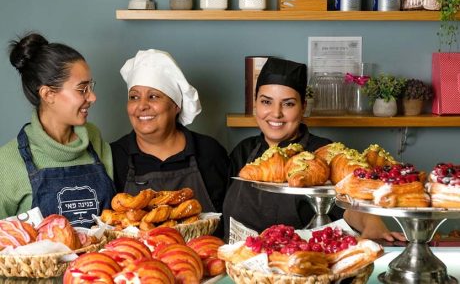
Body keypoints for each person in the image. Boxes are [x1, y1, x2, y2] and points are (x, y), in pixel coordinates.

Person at [222, 57, 406, 243]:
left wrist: (372, 224)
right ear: (256, 104)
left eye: (288, 104)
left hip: (301, 261)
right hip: (241, 265)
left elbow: (349, 204)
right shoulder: (244, 151)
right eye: (266, 102)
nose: (276, 113)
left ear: (303, 107)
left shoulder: (323, 153)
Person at [0, 33, 116, 227]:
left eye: (91, 87)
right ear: (48, 94)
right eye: (82, 89)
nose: (93, 97)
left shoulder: (96, 142)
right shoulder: (8, 162)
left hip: (102, 257)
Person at [111, 49, 229, 219]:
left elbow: (231, 222)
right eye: (134, 97)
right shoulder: (114, 156)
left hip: (204, 245)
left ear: (176, 105)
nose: (141, 105)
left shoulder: (209, 152)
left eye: (153, 96)